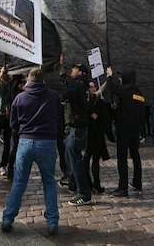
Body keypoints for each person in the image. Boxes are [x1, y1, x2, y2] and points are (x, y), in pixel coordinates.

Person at [1, 67, 60, 236]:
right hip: (47, 142)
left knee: (19, 182)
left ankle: (8, 218)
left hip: (26, 141)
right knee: (49, 182)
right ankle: (52, 221)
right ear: (43, 80)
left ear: (29, 79)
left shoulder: (20, 97)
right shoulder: (53, 96)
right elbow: (59, 118)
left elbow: (12, 123)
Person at [105, 67, 144, 198]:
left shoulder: (126, 90)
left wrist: (109, 76)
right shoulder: (139, 93)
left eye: (121, 77)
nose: (120, 79)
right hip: (135, 129)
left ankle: (123, 188)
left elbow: (113, 88)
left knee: (122, 158)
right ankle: (137, 183)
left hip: (124, 128)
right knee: (135, 156)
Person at [63, 63, 92, 205]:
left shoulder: (77, 84)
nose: (71, 70)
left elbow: (65, 95)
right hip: (78, 125)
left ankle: (84, 193)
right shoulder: (84, 84)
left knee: (75, 159)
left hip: (78, 125)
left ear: (80, 72)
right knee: (70, 152)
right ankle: (74, 183)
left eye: (74, 69)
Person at [85, 81, 110, 194]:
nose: (93, 88)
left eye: (94, 86)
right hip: (86, 136)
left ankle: (96, 184)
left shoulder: (100, 102)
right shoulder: (85, 101)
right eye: (90, 87)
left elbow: (104, 118)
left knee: (95, 161)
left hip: (97, 136)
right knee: (85, 160)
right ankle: (87, 183)